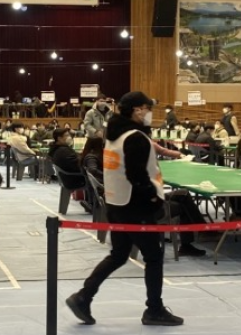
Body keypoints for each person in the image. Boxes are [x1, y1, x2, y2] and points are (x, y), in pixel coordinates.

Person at [67, 91, 182, 326]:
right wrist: (153, 198)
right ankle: (154, 309)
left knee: (119, 255)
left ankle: (83, 297)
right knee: (154, 257)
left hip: (116, 203)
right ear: (138, 110)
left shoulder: (114, 134)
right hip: (136, 206)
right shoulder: (135, 137)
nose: (150, 113)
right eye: (147, 109)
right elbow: (137, 175)